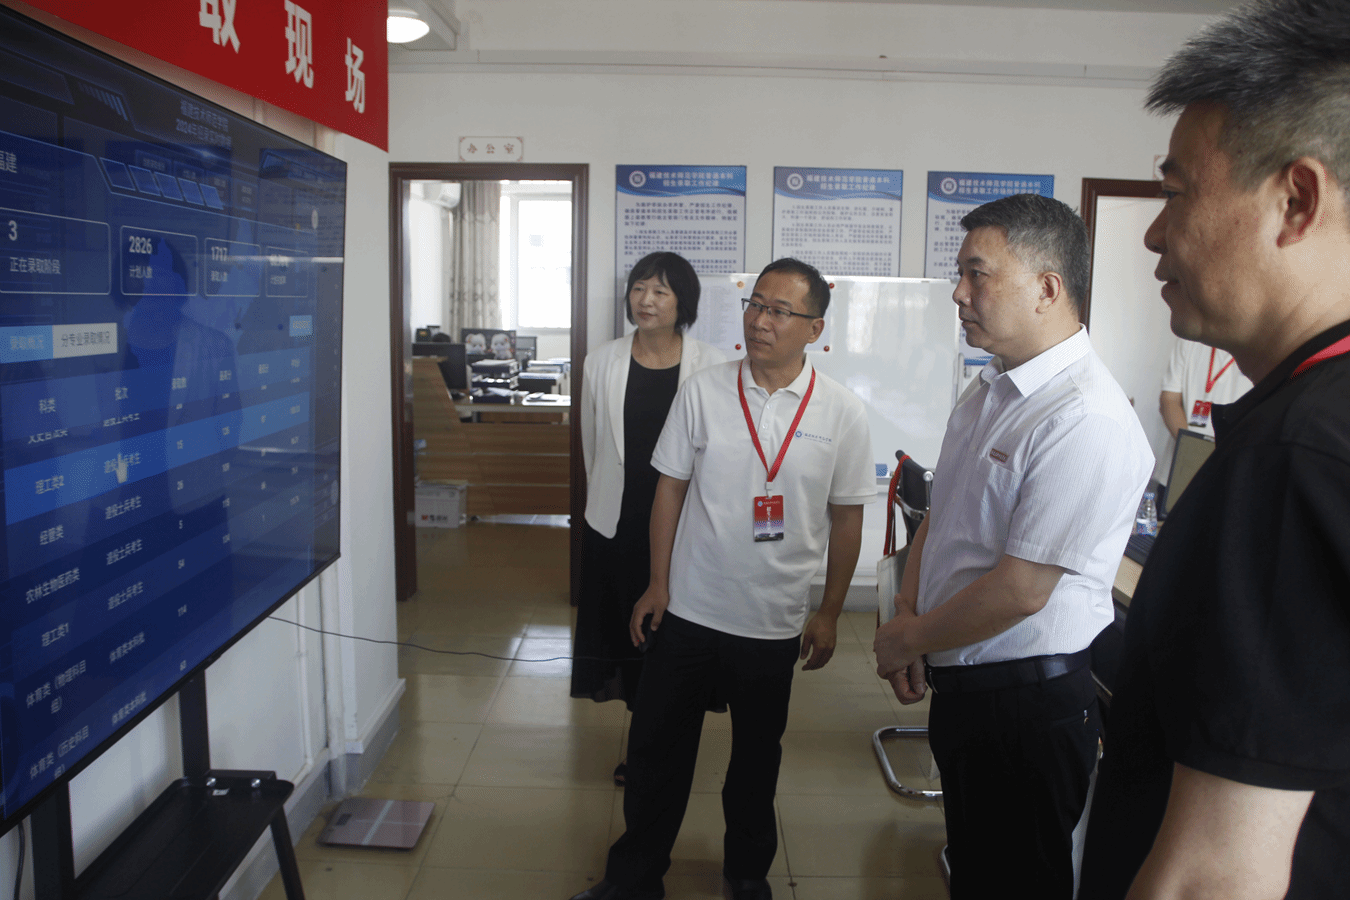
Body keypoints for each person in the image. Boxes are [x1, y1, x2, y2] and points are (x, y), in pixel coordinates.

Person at [1079, 2, 1350, 897]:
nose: (1154, 233)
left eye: (1176, 193)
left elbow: (1216, 872)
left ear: (1296, 200)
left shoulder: (1295, 457)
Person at [872, 193, 1154, 899]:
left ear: (1047, 288)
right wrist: (909, 615)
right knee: (976, 874)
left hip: (1026, 706)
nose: (959, 294)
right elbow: (943, 516)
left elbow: (1022, 590)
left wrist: (911, 639)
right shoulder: (990, 391)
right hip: (966, 687)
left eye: (978, 274)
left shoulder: (1084, 416)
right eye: (959, 275)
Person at [568, 259, 875, 900]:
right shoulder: (705, 390)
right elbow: (670, 489)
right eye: (754, 304)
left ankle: (747, 872)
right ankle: (634, 877)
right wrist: (658, 584)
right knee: (656, 752)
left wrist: (828, 611)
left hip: (773, 617)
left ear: (815, 328)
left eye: (779, 311)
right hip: (690, 608)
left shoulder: (843, 411)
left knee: (756, 758)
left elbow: (848, 518)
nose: (760, 321)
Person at [571, 251, 725, 786]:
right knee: (629, 635)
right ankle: (643, 745)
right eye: (639, 288)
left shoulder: (712, 365)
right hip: (617, 522)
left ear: (683, 301)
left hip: (686, 522)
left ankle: (663, 740)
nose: (646, 300)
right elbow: (593, 444)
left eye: (661, 290)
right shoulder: (601, 361)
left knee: (675, 634)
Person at [1154, 336, 1252, 485]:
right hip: (1178, 468)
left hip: (1226, 472)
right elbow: (1169, 400)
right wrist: (1192, 450)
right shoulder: (1190, 339)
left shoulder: (1259, 353)